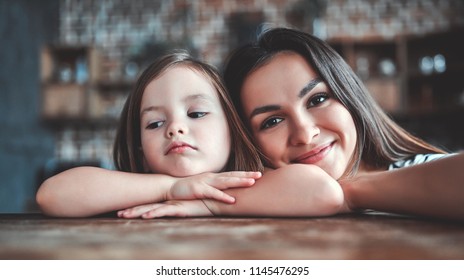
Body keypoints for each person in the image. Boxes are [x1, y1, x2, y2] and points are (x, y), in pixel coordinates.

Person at [129, 28, 464, 221]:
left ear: (350, 97)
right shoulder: (263, 202)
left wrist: (352, 192)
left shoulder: (427, 170)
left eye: (317, 100)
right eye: (272, 121)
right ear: (250, 141)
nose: (304, 133)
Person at [36, 50, 344, 218]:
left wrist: (206, 200)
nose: (175, 128)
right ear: (141, 150)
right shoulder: (132, 190)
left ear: (233, 130)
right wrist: (172, 188)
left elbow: (322, 191)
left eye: (196, 114)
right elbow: (51, 195)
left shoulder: (255, 182)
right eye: (154, 124)